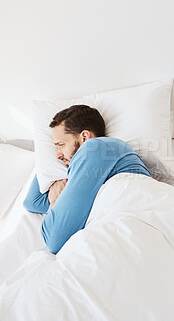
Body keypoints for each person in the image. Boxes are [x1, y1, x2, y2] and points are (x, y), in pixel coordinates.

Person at [23, 105, 152, 254]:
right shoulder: (92, 171)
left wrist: (53, 203)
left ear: (84, 137)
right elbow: (33, 202)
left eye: (60, 145)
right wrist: (47, 163)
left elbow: (55, 239)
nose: (57, 155)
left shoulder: (97, 147)